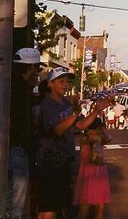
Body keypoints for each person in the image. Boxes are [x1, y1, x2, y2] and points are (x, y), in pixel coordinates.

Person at [35, 67, 110, 219]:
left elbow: (80, 125)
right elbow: (58, 130)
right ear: (50, 84)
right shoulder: (48, 104)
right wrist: (75, 113)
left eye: (66, 82)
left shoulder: (65, 103)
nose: (65, 85)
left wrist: (96, 111)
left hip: (64, 159)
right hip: (51, 159)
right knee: (49, 206)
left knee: (57, 205)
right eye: (61, 82)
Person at [9, 47, 44, 219]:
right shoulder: (23, 91)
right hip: (18, 148)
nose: (37, 72)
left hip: (6, 147)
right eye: (37, 68)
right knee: (17, 199)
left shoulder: (6, 85)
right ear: (29, 67)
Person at [74, 118, 111, 219]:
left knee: (99, 207)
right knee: (85, 207)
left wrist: (102, 132)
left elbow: (108, 138)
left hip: (97, 173)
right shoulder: (86, 138)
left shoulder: (97, 138)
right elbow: (100, 138)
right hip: (89, 173)